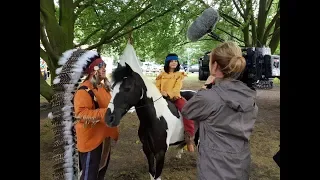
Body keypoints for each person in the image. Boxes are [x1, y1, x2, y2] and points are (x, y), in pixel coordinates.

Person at [181, 41, 258, 180]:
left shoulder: (209, 97)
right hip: (241, 164)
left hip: (214, 168)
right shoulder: (249, 95)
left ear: (215, 65)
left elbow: (188, 110)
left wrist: (206, 86)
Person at [73, 55, 118, 180]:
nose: (104, 69)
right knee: (89, 176)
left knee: (100, 172)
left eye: (105, 67)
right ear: (93, 70)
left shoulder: (103, 87)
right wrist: (106, 112)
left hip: (104, 137)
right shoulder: (84, 90)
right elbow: (80, 114)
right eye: (101, 67)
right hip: (91, 140)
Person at [155, 53, 195, 152]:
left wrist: (167, 94)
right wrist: (160, 93)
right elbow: (156, 87)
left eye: (176, 61)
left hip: (175, 97)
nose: (174, 63)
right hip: (161, 97)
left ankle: (189, 138)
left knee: (187, 111)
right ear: (167, 62)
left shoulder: (179, 75)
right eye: (172, 61)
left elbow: (177, 89)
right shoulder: (161, 75)